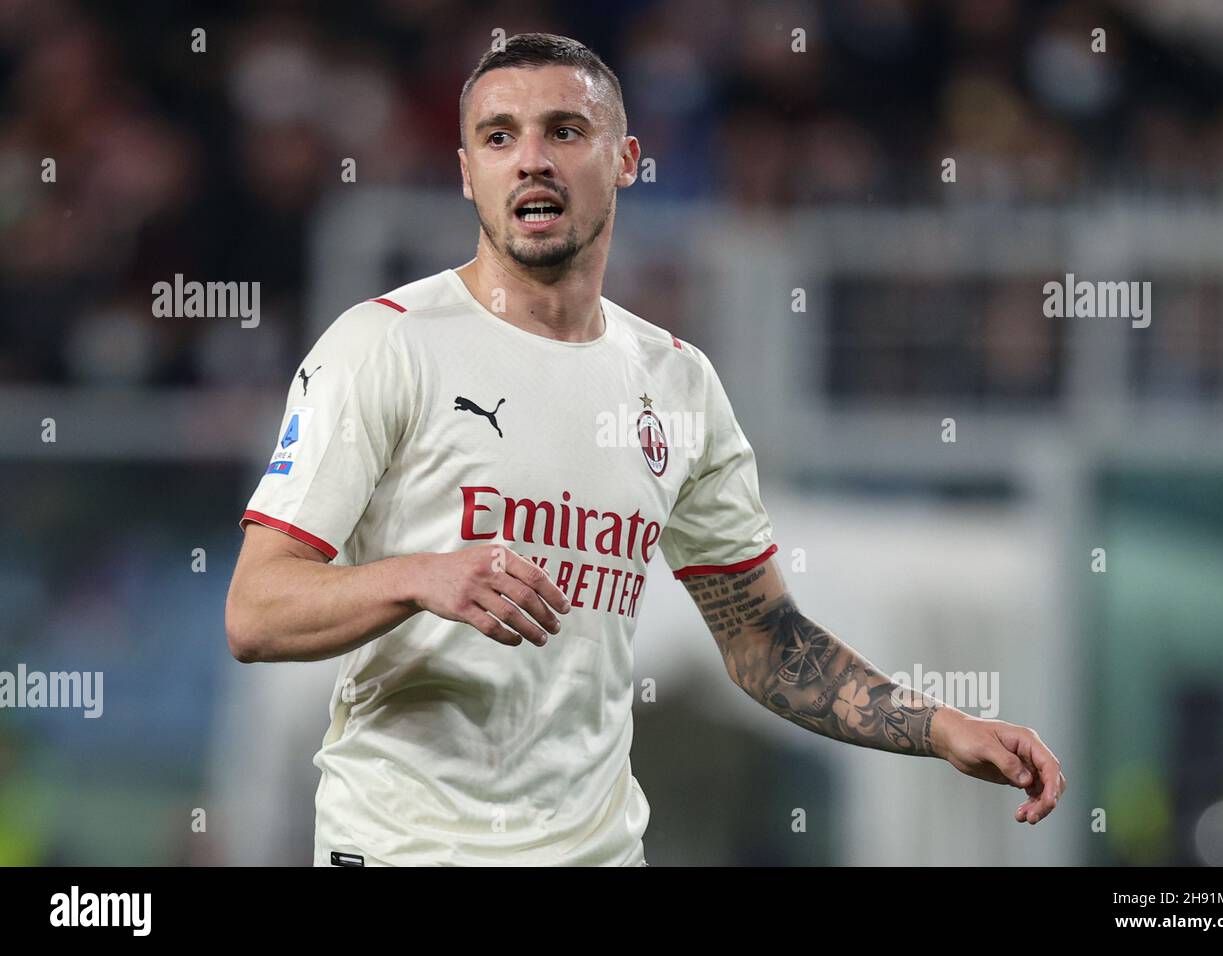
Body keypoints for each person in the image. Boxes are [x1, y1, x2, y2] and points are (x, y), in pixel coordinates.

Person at [225, 32, 1065, 867]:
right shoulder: (383, 345)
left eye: (564, 130)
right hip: (407, 851)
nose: (531, 160)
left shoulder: (677, 383)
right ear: (466, 172)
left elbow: (763, 639)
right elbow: (256, 611)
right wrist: (418, 577)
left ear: (625, 158)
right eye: (499, 137)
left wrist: (942, 725)